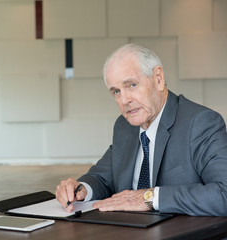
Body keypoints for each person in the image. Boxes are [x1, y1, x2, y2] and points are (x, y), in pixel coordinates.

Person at [55, 43, 227, 216]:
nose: (124, 100)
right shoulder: (124, 126)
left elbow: (224, 194)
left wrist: (149, 197)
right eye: (116, 91)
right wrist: (80, 189)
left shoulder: (200, 123)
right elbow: (102, 177)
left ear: (158, 78)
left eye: (132, 85)